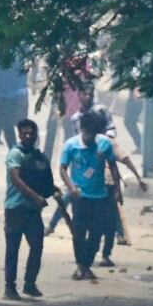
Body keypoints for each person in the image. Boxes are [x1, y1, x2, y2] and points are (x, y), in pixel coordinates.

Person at [58, 106, 118, 282]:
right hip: (80, 197)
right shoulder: (71, 145)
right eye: (89, 134)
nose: (92, 138)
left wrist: (116, 190)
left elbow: (113, 166)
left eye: (95, 134)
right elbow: (62, 169)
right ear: (83, 130)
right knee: (78, 232)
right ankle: (80, 266)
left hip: (100, 195)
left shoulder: (104, 144)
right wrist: (71, 187)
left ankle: (86, 265)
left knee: (96, 234)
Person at [3, 118, 53, 299]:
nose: (28, 136)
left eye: (31, 133)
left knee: (37, 246)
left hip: (33, 210)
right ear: (19, 135)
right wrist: (36, 197)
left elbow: (45, 180)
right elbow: (16, 179)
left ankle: (30, 283)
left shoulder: (39, 156)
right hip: (15, 208)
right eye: (24, 133)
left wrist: (50, 191)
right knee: (13, 249)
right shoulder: (15, 154)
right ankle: (10, 287)